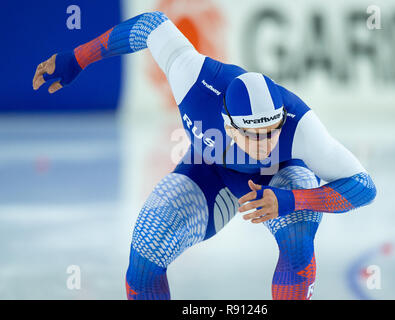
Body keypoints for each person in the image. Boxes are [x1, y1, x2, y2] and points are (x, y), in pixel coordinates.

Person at [33, 11, 377, 300]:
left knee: (298, 233)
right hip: (210, 170)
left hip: (279, 177)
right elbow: (149, 26)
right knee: (146, 250)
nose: (265, 144)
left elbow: (364, 186)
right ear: (227, 125)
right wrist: (77, 59)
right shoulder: (192, 76)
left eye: (271, 132)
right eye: (253, 136)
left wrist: (293, 200)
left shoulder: (302, 128)